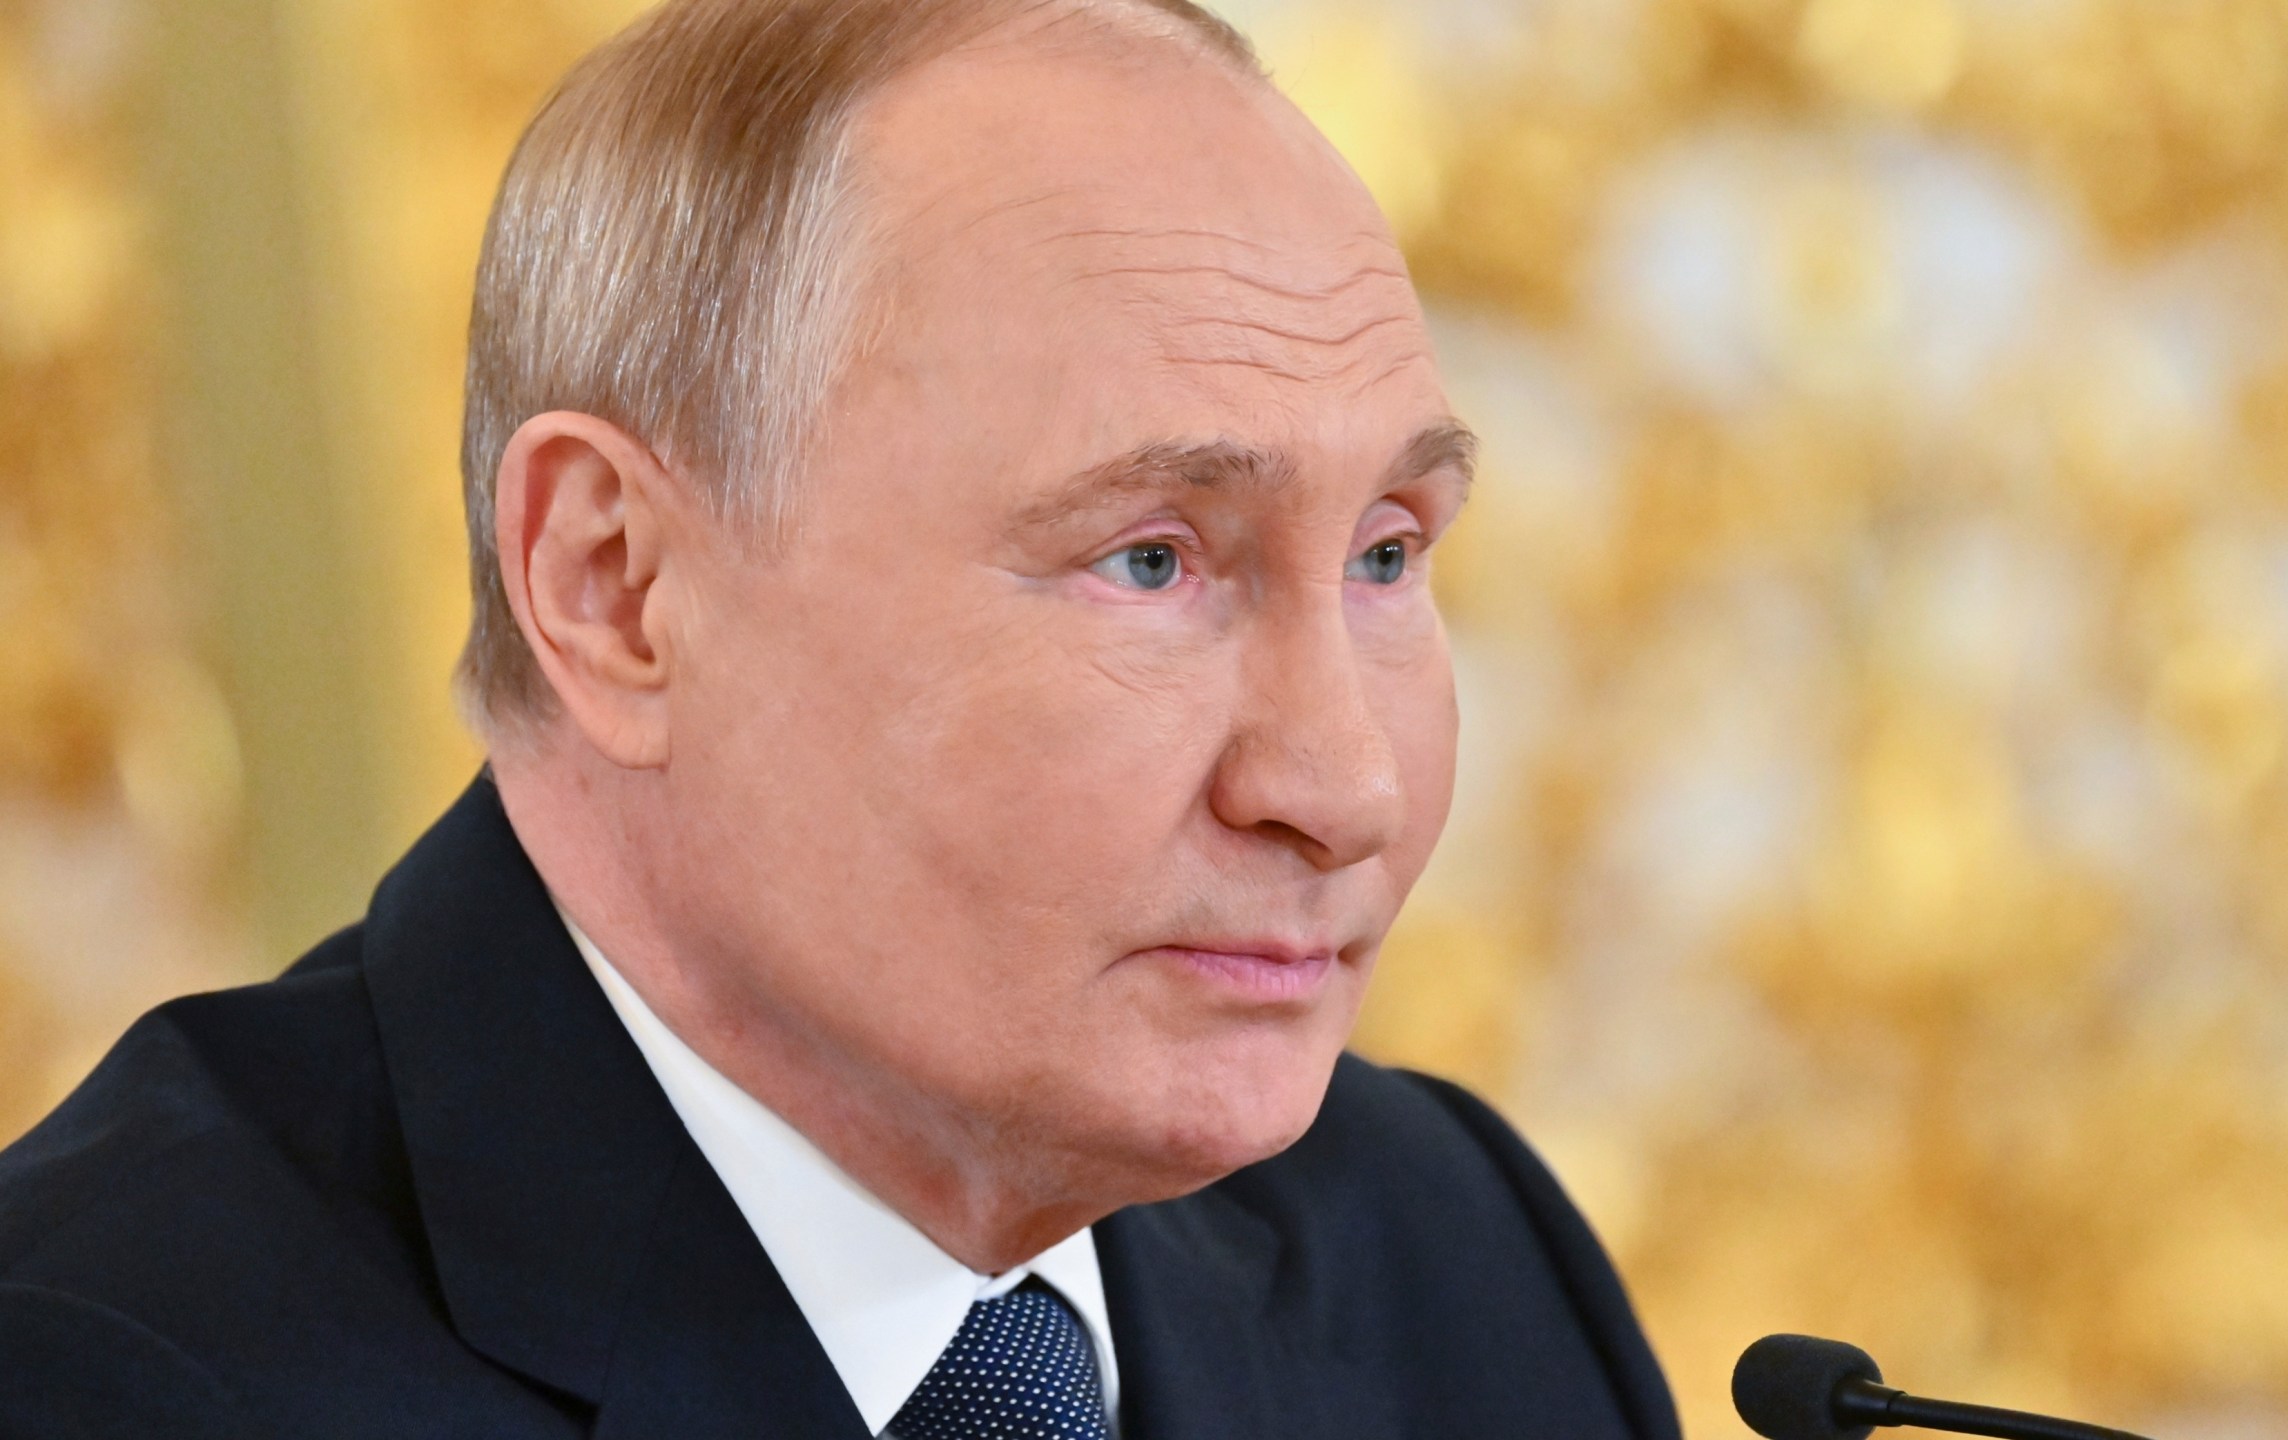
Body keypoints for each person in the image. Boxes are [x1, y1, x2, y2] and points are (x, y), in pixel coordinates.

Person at [0, 0, 1680, 1434]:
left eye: (1389, 553)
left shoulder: (1453, 1254)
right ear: (617, 588)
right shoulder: (104, 1373)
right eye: (1152, 560)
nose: (1346, 785)